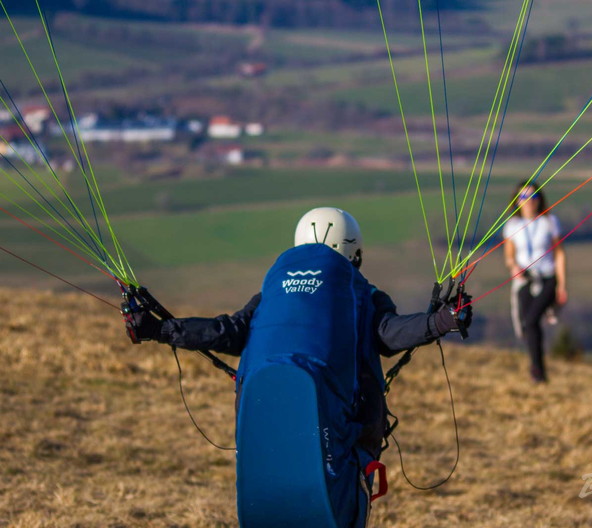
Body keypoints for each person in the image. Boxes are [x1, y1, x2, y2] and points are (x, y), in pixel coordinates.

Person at [125, 207, 473, 528]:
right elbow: (389, 335)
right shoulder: (363, 295)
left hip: (259, 408)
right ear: (356, 252)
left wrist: (159, 329)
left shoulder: (270, 296)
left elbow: (227, 333)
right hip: (341, 421)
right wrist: (443, 321)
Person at [503, 182, 567, 382]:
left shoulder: (550, 222)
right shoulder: (511, 226)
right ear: (517, 201)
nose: (528, 202)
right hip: (525, 280)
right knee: (529, 324)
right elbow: (509, 256)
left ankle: (537, 370)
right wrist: (514, 267)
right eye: (523, 197)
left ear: (539, 199)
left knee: (531, 320)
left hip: (548, 278)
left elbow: (559, 254)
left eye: (532, 197)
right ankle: (537, 369)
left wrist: (562, 285)